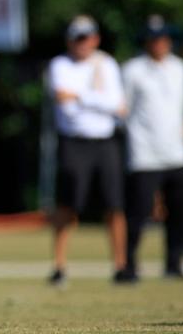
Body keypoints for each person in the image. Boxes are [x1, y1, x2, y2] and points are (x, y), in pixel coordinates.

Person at [46, 15, 130, 285]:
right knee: (68, 204)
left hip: (105, 142)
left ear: (95, 39)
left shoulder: (107, 64)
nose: (82, 44)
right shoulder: (60, 65)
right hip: (75, 142)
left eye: (86, 38)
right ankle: (59, 266)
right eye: (76, 38)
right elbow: (65, 105)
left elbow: (118, 106)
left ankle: (120, 265)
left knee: (114, 204)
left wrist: (81, 95)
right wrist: (97, 99)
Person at [121, 16, 183, 280]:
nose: (160, 44)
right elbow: (123, 110)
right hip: (144, 153)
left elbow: (182, 107)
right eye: (155, 39)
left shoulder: (179, 69)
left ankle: (173, 264)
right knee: (138, 213)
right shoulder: (132, 70)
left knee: (181, 212)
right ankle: (128, 264)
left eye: (164, 39)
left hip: (177, 153)